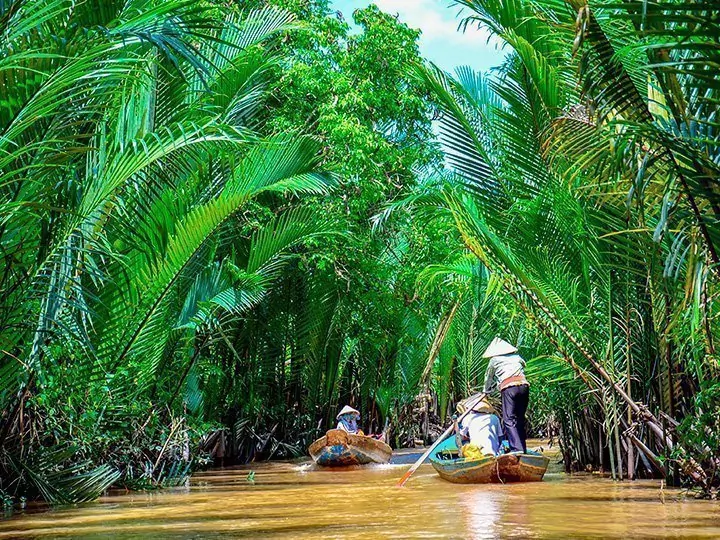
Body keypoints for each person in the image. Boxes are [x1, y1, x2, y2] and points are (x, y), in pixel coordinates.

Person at [483, 337, 529, 453]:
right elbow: (523, 365)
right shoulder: (517, 357)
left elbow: (488, 377)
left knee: (509, 420)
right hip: (524, 386)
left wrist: (486, 391)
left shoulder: (494, 360)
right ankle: (523, 448)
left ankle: (516, 449)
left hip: (509, 388)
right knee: (519, 419)